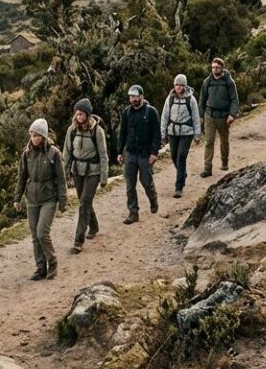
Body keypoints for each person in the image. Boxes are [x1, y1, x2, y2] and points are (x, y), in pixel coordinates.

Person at [14, 118, 67, 280]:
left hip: (49, 199)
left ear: (43, 136)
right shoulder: (26, 154)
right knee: (34, 236)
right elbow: (22, 177)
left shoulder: (54, 153)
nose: (34, 138)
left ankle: (53, 263)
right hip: (32, 199)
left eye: (37, 135)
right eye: (32, 135)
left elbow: (61, 178)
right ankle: (40, 268)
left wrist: (63, 200)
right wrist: (17, 198)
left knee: (42, 232)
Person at [63, 98, 108, 253]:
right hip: (77, 171)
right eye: (76, 113)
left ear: (87, 115)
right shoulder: (72, 130)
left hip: (93, 171)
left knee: (83, 204)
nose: (78, 116)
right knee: (85, 202)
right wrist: (65, 172)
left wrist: (104, 177)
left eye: (81, 114)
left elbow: (103, 155)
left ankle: (78, 242)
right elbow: (67, 152)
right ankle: (94, 226)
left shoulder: (97, 131)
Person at [116, 84, 160, 224]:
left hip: (145, 153)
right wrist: (119, 152)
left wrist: (154, 152)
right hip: (130, 152)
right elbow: (122, 133)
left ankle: (153, 199)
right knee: (130, 185)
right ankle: (133, 212)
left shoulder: (151, 112)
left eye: (135, 96)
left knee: (146, 182)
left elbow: (156, 134)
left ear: (142, 96)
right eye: (131, 96)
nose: (133, 99)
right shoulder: (126, 112)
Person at [160, 74, 201, 198]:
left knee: (181, 156)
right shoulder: (170, 98)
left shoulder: (190, 99)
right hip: (173, 132)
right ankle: (182, 173)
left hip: (186, 132)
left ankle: (178, 187)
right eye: (177, 84)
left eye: (181, 85)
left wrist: (197, 134)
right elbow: (165, 115)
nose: (179, 87)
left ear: (185, 85)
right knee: (173, 156)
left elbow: (195, 117)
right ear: (174, 85)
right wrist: (162, 132)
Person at [198, 57, 240, 176]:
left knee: (224, 140)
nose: (215, 69)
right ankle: (207, 168)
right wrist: (201, 115)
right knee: (209, 141)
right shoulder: (207, 82)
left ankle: (224, 162)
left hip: (224, 116)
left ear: (222, 68)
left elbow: (234, 99)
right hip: (210, 115)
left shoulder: (229, 82)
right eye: (213, 67)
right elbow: (202, 99)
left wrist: (232, 114)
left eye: (218, 67)